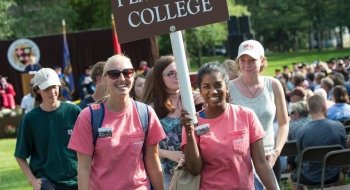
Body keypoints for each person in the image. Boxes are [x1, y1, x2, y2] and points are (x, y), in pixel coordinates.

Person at [68, 54, 166, 190]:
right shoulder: (88, 116)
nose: (122, 78)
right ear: (104, 79)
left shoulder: (146, 113)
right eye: (114, 74)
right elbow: (84, 169)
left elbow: (153, 163)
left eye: (127, 73)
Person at [181, 62, 278, 189]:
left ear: (227, 88)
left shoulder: (246, 115)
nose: (213, 91)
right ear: (200, 91)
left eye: (218, 85)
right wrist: (189, 133)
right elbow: (194, 169)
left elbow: (261, 163)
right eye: (206, 87)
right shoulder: (192, 123)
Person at [228, 40, 289, 187]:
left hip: (269, 157)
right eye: (242, 60)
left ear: (262, 61)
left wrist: (276, 152)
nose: (246, 65)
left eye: (252, 60)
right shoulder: (229, 88)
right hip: (240, 159)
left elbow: (284, 122)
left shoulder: (273, 84)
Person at [14, 68, 81, 190]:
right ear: (37, 90)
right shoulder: (29, 119)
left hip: (77, 182)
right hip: (47, 185)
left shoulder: (74, 112)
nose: (52, 92)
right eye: (46, 88)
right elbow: (20, 155)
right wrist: (32, 180)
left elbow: (91, 147)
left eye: (54, 86)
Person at [145, 55, 204, 189]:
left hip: (200, 168)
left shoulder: (195, 99)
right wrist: (169, 154)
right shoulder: (152, 108)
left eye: (179, 72)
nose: (176, 76)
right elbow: (145, 146)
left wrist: (203, 106)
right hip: (169, 173)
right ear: (160, 78)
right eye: (171, 73)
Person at [288, 94, 347, 189]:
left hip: (309, 178)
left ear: (309, 110)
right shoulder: (339, 126)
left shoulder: (302, 132)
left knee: (291, 179)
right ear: (324, 107)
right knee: (341, 174)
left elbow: (299, 160)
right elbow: (343, 155)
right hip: (334, 177)